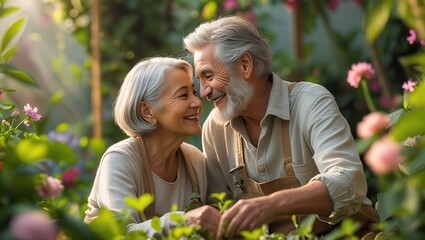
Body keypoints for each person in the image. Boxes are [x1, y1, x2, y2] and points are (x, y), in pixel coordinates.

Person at [183, 16, 379, 238]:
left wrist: (272, 204)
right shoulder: (215, 128)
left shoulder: (312, 102)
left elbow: (348, 181)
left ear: (245, 65)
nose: (204, 91)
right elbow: (220, 210)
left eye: (208, 76)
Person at [84, 57, 221, 237]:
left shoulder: (195, 160)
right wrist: (184, 220)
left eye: (194, 92)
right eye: (183, 95)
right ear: (147, 111)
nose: (197, 102)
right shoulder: (119, 159)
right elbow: (121, 234)